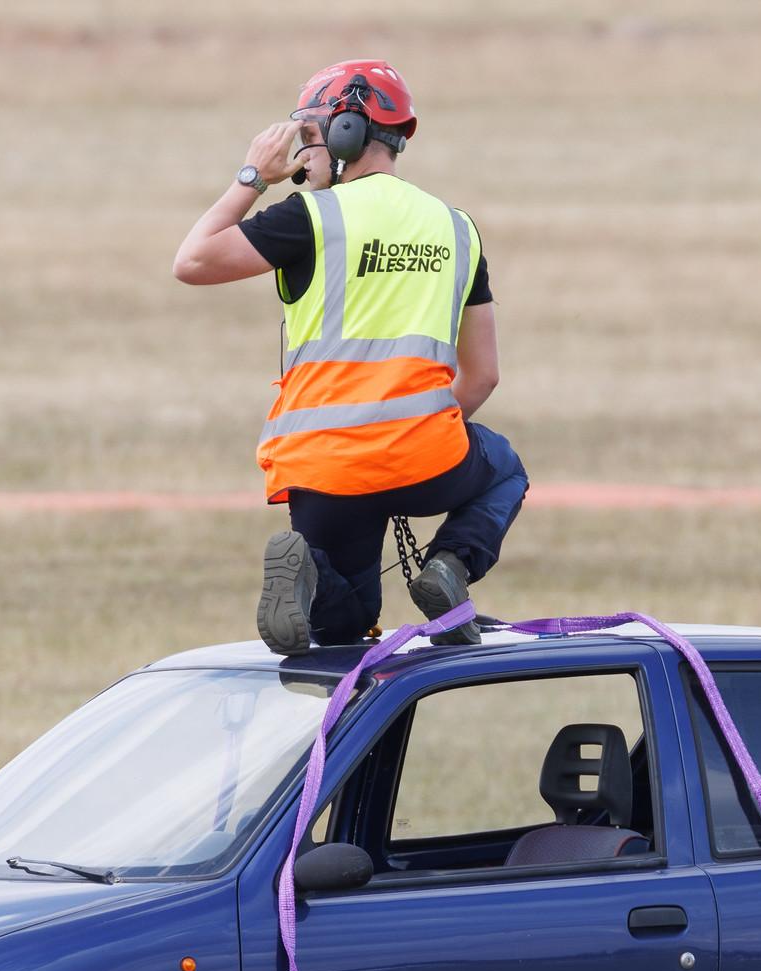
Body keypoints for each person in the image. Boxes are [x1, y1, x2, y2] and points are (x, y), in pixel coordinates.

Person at [174, 59, 529, 652]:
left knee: (338, 633)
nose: (300, 155)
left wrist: (251, 177)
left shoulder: (312, 217)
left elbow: (191, 262)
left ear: (348, 133)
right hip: (426, 456)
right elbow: (484, 375)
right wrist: (412, 430)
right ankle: (450, 564)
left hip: (322, 468)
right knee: (505, 468)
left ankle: (309, 568)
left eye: (309, 136)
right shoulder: (457, 228)